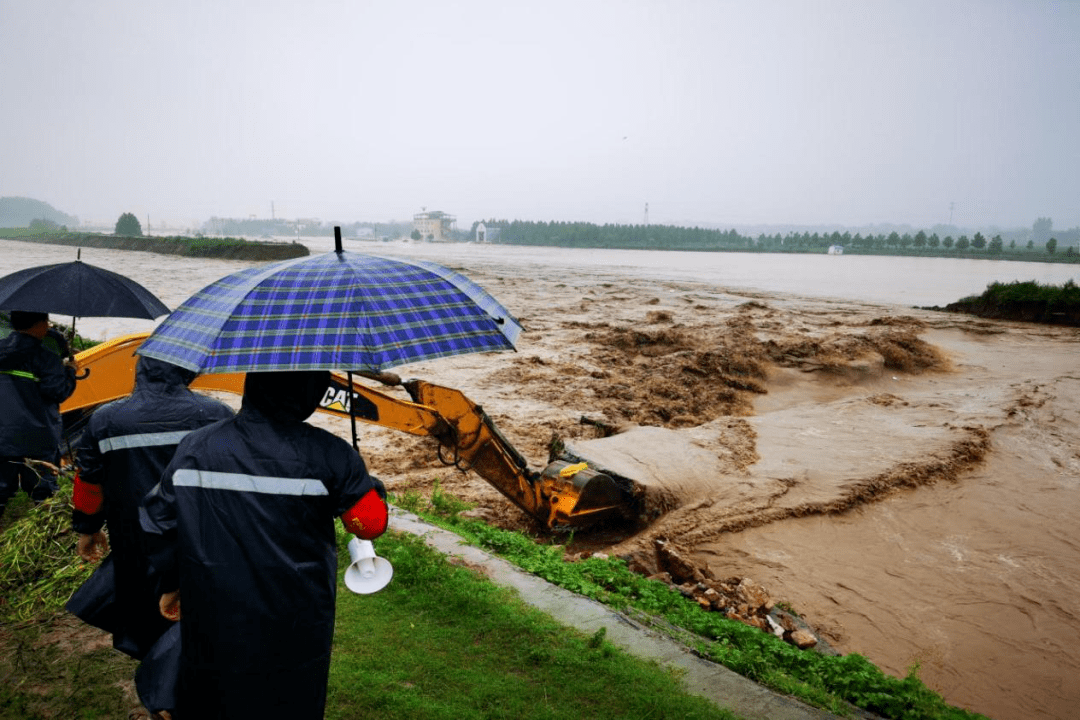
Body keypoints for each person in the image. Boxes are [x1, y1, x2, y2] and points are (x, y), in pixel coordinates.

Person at [141, 370, 388, 720]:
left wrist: (170, 582)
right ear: (311, 391)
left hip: (213, 599)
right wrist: (365, 484)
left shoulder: (195, 446)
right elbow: (369, 524)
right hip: (297, 609)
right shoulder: (331, 453)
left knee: (214, 683)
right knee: (290, 690)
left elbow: (158, 520)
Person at [68, 356, 234, 661]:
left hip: (134, 539)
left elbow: (89, 482)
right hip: (201, 539)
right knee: (202, 619)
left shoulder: (105, 420)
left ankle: (153, 674)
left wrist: (88, 529)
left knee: (144, 616)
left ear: (140, 370)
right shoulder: (216, 413)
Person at [0, 310, 77, 521]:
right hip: (38, 439)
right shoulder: (46, 357)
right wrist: (70, 371)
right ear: (40, 324)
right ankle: (45, 532)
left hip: (2, 436)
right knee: (44, 496)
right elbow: (58, 391)